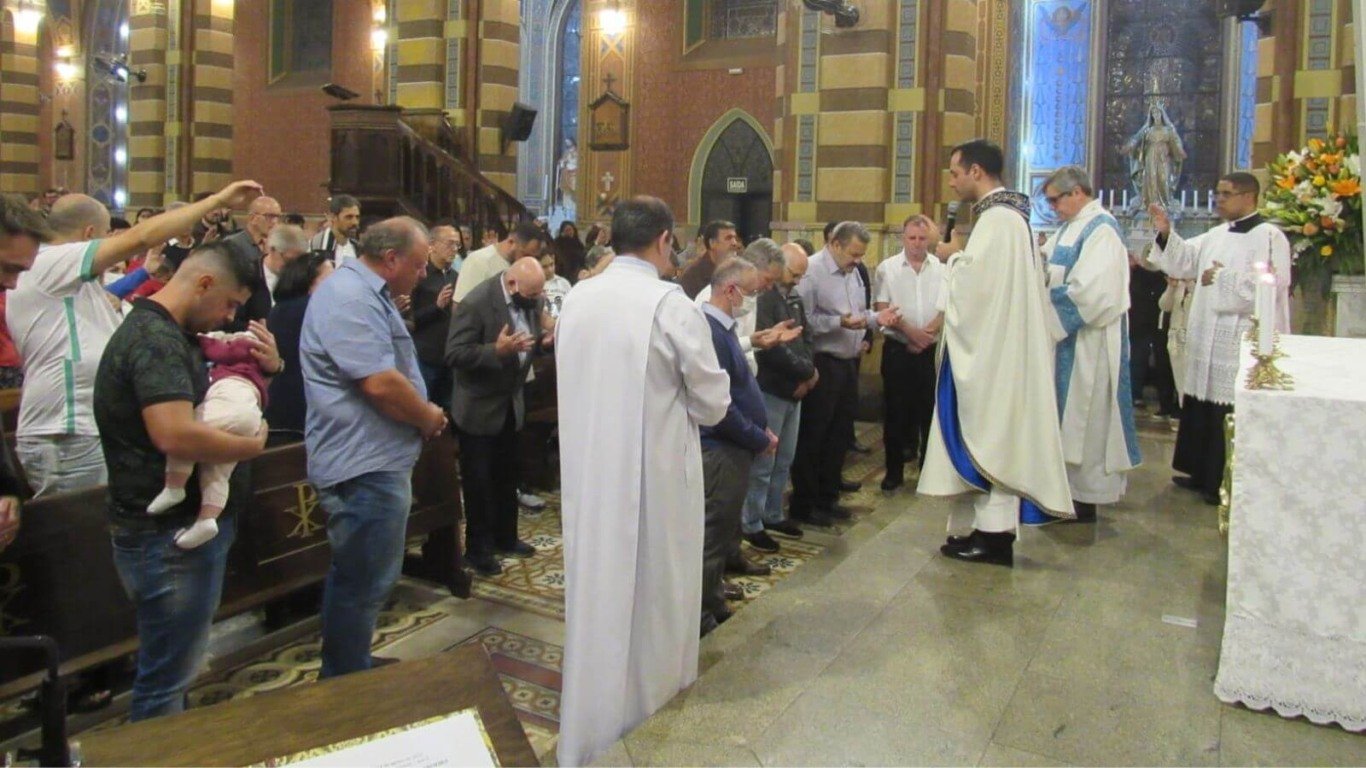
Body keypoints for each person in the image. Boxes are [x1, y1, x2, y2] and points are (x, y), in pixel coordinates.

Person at [555, 197, 730, 768]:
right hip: (656, 478)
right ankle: (651, 728)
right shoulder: (669, 304)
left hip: (588, 472)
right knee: (657, 595)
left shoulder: (578, 297)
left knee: (599, 591)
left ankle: (589, 731)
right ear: (662, 240)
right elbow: (713, 402)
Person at [94, 238, 278, 721]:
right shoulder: (155, 340)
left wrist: (270, 368)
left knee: (172, 669)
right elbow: (174, 434)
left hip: (172, 535)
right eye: (230, 304)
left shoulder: (169, 333)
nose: (227, 317)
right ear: (203, 282)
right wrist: (251, 446)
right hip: (168, 539)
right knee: (164, 680)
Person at [8, 183, 260, 496]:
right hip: (67, 431)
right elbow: (140, 237)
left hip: (81, 430)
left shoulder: (67, 283)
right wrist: (217, 200)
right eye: (107, 237)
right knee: (84, 538)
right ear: (89, 235)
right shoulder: (51, 263)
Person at [300, 217, 446, 679]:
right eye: (420, 266)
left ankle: (352, 662)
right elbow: (380, 383)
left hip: (373, 458)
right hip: (361, 464)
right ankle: (343, 677)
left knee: (368, 577)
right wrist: (427, 417)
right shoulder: (348, 297)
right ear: (391, 260)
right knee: (361, 579)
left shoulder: (364, 293)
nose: (423, 275)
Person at [919, 139, 1071, 567]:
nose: (951, 181)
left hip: (994, 356)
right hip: (995, 348)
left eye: (954, 172)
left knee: (993, 436)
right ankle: (983, 531)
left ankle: (995, 538)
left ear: (976, 172)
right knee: (987, 435)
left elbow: (979, 289)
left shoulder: (1000, 220)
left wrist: (950, 257)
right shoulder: (1004, 218)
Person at [1145, 172, 1291, 505]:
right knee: (1203, 400)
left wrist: (1222, 276)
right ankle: (1200, 472)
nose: (1219, 200)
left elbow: (1271, 284)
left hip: (1241, 335)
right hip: (1207, 332)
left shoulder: (1270, 236)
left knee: (1228, 405)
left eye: (1226, 194)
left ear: (1249, 197)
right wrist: (1167, 235)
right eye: (1218, 192)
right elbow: (1185, 260)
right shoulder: (1217, 234)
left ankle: (1222, 480)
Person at [1036, 165, 1141, 522]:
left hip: (1089, 346)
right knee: (1065, 420)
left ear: (1077, 192)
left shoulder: (1102, 231)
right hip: (1066, 341)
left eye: (1055, 200)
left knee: (1088, 422)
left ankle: (1084, 499)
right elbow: (1045, 264)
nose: (1053, 208)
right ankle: (1061, 492)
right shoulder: (1069, 228)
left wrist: (1045, 307)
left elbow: (1095, 293)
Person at [790, 222, 900, 527]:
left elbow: (858, 313)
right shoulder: (811, 272)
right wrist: (840, 323)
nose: (857, 260)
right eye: (853, 254)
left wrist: (877, 319)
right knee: (815, 437)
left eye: (861, 255)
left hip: (849, 363)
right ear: (835, 245)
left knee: (839, 436)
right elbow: (804, 321)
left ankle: (828, 498)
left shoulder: (854, 271)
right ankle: (805, 503)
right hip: (823, 363)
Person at [446, 258, 549, 576]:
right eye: (532, 295)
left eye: (539, 295)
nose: (537, 301)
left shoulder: (531, 298)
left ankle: (506, 537)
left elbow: (528, 343)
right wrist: (495, 351)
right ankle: (479, 549)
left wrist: (544, 344)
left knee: (507, 475)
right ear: (513, 284)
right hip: (478, 407)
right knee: (479, 482)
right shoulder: (477, 302)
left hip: (510, 404)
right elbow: (455, 353)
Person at [698, 258, 779, 632]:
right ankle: (700, 614)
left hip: (736, 445)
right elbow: (721, 405)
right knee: (712, 534)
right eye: (751, 291)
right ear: (731, 290)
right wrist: (757, 436)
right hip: (722, 447)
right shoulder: (710, 331)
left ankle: (712, 599)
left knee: (723, 527)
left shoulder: (724, 327)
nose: (753, 299)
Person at [146, 329, 273, 548]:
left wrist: (204, 338)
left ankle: (175, 486)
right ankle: (207, 519)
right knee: (217, 470)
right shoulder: (255, 368)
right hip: (249, 415)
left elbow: (217, 350)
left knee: (187, 437)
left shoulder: (244, 346)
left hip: (230, 401)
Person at [742, 243, 814, 553]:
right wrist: (803, 372)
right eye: (794, 273)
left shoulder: (794, 298)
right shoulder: (765, 297)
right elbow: (769, 346)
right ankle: (752, 521)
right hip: (771, 388)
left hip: (795, 391)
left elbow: (806, 336)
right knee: (764, 461)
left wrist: (809, 373)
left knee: (784, 458)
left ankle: (773, 513)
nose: (797, 280)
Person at [873, 214, 945, 490]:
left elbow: (946, 305)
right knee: (895, 412)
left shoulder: (941, 268)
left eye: (922, 238)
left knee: (929, 410)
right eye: (912, 238)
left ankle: (929, 470)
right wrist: (910, 333)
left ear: (929, 240)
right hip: (898, 349)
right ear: (903, 238)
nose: (917, 244)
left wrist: (926, 334)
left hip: (929, 348)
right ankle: (894, 471)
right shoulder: (887, 268)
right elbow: (881, 308)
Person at [693, 239, 801, 375]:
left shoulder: (752, 294)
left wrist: (760, 340)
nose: (769, 287)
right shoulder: (711, 297)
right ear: (751, 268)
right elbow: (712, 350)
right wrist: (750, 342)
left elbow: (742, 344)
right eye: (768, 279)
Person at [265, 251, 334, 439]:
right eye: (330, 280)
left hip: (278, 408)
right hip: (303, 411)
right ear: (307, 282)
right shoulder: (313, 308)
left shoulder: (278, 309)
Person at [411, 223, 462, 411]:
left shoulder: (457, 276)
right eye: (450, 244)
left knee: (449, 410)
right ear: (432, 245)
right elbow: (408, 319)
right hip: (425, 356)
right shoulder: (419, 275)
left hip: (450, 356)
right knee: (422, 407)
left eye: (457, 245)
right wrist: (437, 307)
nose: (455, 249)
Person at [232, 223, 309, 330]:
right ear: (272, 249)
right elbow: (231, 321)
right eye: (289, 260)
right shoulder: (247, 275)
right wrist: (257, 329)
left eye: (298, 262)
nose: (293, 267)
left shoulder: (302, 278)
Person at [452, 222, 544, 305]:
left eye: (534, 257)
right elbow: (460, 306)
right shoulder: (478, 261)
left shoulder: (527, 269)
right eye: (525, 254)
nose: (529, 260)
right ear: (511, 242)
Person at [677, 219, 741, 299]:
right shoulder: (694, 276)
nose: (734, 243)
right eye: (728, 238)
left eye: (735, 238)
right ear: (712, 243)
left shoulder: (737, 270)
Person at [221, 196, 281, 265]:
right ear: (252, 218)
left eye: (277, 217)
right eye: (269, 216)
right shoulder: (231, 244)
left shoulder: (278, 246)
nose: (274, 221)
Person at [309, 194, 362, 264]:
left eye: (357, 217)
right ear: (333, 217)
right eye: (349, 217)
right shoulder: (317, 246)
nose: (355, 222)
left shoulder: (358, 248)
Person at [540, 252, 572, 318]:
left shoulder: (564, 283)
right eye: (544, 267)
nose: (550, 270)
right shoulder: (534, 286)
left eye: (551, 264)